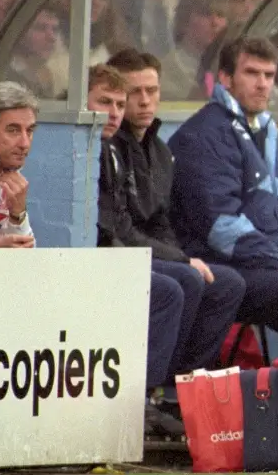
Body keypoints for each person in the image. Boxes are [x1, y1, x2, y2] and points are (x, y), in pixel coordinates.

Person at [105, 49, 247, 382]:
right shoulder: (108, 147)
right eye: (134, 92)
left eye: (151, 91)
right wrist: (181, 261)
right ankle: (151, 384)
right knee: (186, 278)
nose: (144, 101)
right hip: (121, 252)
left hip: (153, 253)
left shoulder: (159, 150)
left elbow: (161, 221)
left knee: (228, 283)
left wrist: (180, 256)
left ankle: (184, 381)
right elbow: (120, 228)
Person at [167, 37, 278, 341]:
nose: (262, 84)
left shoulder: (265, 130)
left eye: (269, 75)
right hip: (221, 265)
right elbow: (221, 226)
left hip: (261, 262)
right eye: (252, 73)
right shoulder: (205, 134)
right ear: (226, 78)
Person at [85, 64, 186, 440]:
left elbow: (147, 220)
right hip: (90, 260)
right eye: (104, 102)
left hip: (116, 252)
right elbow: (112, 228)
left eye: (118, 103)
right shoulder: (92, 148)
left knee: (197, 280)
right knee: (170, 289)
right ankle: (138, 399)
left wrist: (177, 256)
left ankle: (167, 393)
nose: (113, 112)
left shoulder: (119, 149)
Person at [0, 82, 36, 249]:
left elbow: (25, 253)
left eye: (29, 131)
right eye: (13, 130)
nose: (25, 143)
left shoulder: (12, 180)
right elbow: (0, 246)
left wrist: (17, 216)